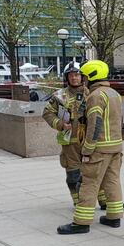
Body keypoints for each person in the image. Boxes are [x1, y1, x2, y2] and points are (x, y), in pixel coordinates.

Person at [58, 60, 124, 235]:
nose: (83, 79)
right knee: (112, 181)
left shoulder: (96, 96)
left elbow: (94, 125)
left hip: (99, 148)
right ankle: (114, 216)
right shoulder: (114, 94)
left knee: (89, 183)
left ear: (92, 76)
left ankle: (81, 222)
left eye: (85, 76)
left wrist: (87, 150)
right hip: (116, 147)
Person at [42, 62, 89, 209]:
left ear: (82, 77)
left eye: (77, 75)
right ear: (66, 78)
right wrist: (60, 124)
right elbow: (47, 113)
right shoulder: (59, 96)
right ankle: (78, 201)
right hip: (70, 142)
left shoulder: (92, 94)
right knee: (73, 173)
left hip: (89, 140)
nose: (74, 78)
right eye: (71, 75)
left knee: (94, 171)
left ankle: (103, 200)